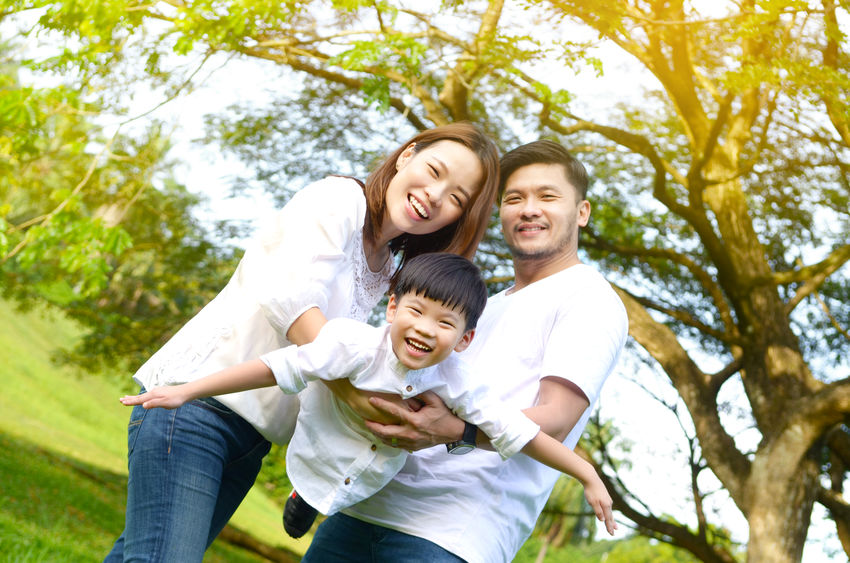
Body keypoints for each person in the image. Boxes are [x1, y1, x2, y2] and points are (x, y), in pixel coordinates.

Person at [104, 123, 501, 563]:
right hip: (197, 407)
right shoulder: (339, 200)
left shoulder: (386, 267)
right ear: (406, 156)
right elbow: (290, 301)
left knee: (140, 554)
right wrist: (356, 395)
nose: (435, 194)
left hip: (252, 435)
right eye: (434, 171)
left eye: (456, 198)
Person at [119, 253, 617, 541]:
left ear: (465, 340)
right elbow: (275, 367)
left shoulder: (461, 381)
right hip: (327, 436)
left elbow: (520, 432)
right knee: (324, 463)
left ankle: (321, 500)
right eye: (417, 312)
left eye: (446, 324)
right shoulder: (351, 342)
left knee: (356, 483)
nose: (425, 331)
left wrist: (585, 471)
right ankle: (305, 492)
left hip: (374, 472)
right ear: (393, 306)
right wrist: (186, 389)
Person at [300, 139, 630, 563]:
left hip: (452, 535)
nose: (529, 209)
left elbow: (556, 422)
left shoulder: (589, 298)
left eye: (548, 196)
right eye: (515, 198)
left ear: (581, 213)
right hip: (368, 508)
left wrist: (455, 431)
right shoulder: (482, 305)